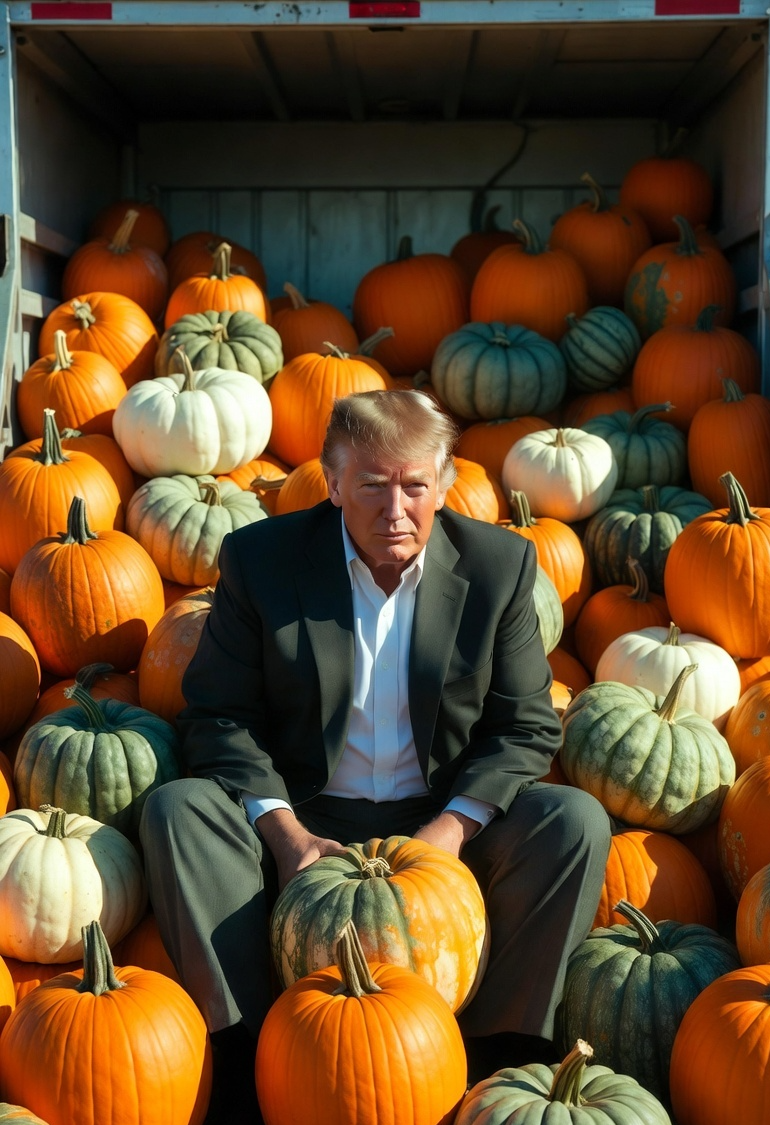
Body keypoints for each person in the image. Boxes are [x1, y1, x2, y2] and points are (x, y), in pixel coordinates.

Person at [139, 389, 611, 1124]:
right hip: (303, 816)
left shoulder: (500, 567)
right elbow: (219, 715)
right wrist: (286, 835)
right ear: (331, 482)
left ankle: (494, 1063)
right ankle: (252, 1059)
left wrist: (450, 835)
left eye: (415, 486)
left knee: (572, 821)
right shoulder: (261, 560)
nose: (397, 509)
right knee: (178, 810)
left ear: (446, 481)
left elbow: (524, 727)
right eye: (372, 485)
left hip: (440, 820)